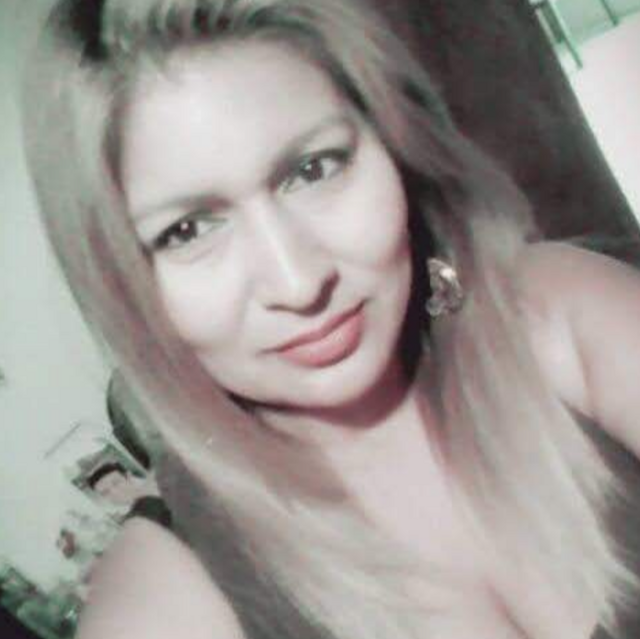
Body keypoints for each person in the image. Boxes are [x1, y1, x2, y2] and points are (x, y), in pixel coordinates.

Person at [20, 0, 640, 637]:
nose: (298, 282)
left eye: (313, 170)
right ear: (120, 283)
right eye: (188, 230)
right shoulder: (169, 589)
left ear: (393, 143)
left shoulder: (553, 311)